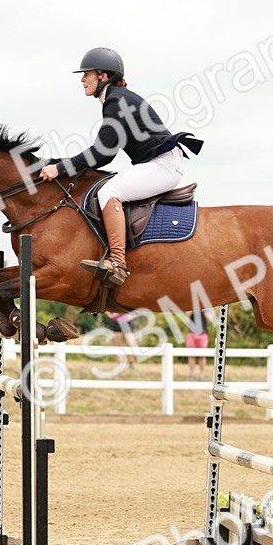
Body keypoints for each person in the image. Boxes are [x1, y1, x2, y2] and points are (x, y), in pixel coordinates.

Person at [38, 47, 203, 287]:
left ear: (103, 76)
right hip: (160, 163)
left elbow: (102, 152)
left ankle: (117, 263)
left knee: (109, 192)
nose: (82, 80)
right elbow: (105, 155)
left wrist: (60, 168)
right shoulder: (116, 99)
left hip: (163, 165)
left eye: (87, 74)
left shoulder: (116, 101)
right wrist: (58, 164)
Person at [186, 306, 214, 380]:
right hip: (192, 333)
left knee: (202, 356)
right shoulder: (191, 304)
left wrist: (204, 310)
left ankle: (202, 374)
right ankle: (191, 374)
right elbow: (186, 316)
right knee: (191, 355)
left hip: (203, 334)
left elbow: (210, 319)